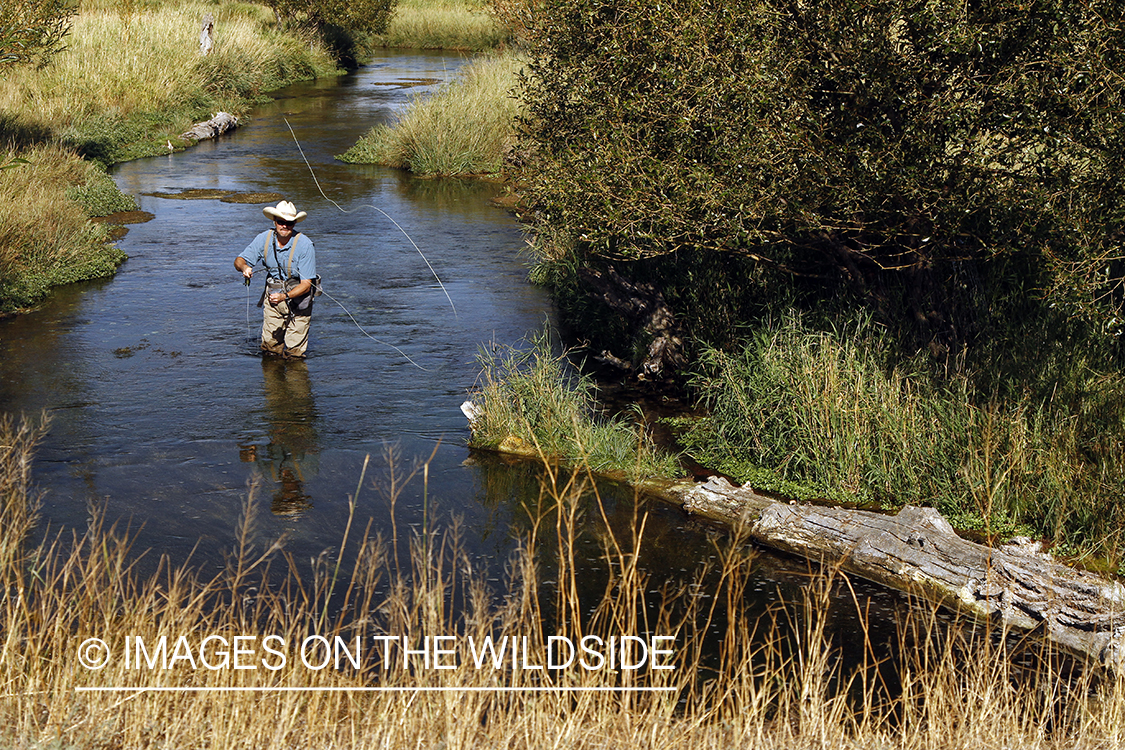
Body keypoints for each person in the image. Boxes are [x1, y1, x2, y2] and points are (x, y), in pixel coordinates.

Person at [235, 200, 317, 358]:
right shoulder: (263, 239)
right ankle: (273, 383)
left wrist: (284, 296)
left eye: (290, 223)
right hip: (274, 297)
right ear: (274, 221)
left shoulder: (305, 245)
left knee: (295, 354)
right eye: (281, 222)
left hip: (300, 299)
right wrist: (245, 268)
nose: (285, 226)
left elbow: (307, 285)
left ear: (294, 224)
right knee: (270, 350)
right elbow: (239, 260)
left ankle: (295, 381)